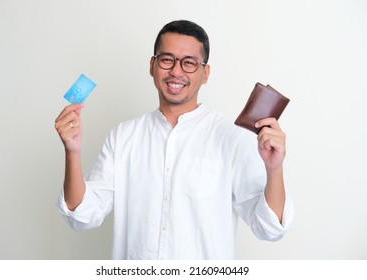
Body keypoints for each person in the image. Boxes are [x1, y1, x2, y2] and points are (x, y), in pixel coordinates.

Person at [54, 19, 293, 260]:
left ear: (205, 73)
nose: (176, 72)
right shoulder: (123, 136)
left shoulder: (231, 137)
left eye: (189, 63)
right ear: (152, 65)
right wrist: (72, 152)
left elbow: (269, 229)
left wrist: (274, 169)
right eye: (167, 60)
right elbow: (82, 216)